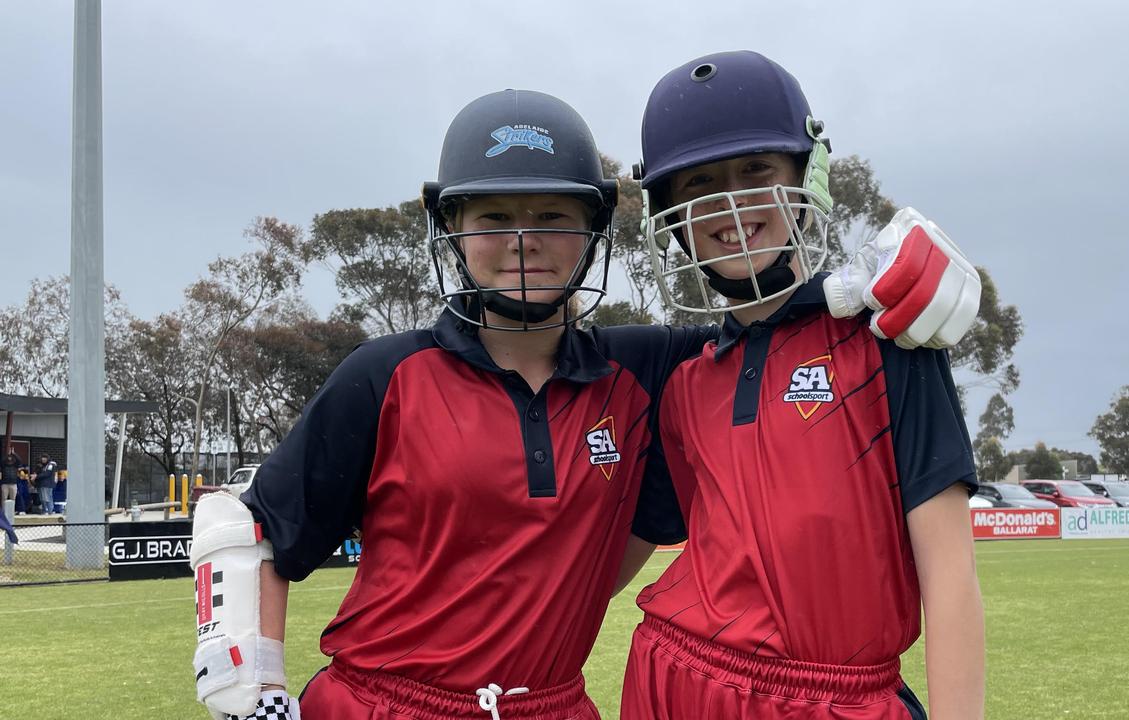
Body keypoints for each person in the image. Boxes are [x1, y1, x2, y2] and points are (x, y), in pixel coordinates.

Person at [190, 89, 979, 720]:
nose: (524, 239)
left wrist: (910, 272)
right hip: (380, 705)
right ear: (453, 228)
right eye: (494, 217)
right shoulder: (383, 375)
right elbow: (245, 533)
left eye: (553, 217)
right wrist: (250, 694)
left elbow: (773, 322)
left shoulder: (654, 370)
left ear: (595, 230)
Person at [620, 51, 985, 719]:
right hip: (674, 681)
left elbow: (951, 576)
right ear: (668, 215)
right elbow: (631, 544)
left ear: (804, 176)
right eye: (700, 183)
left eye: (755, 169)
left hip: (836, 699)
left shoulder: (890, 341)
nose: (731, 200)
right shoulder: (685, 381)